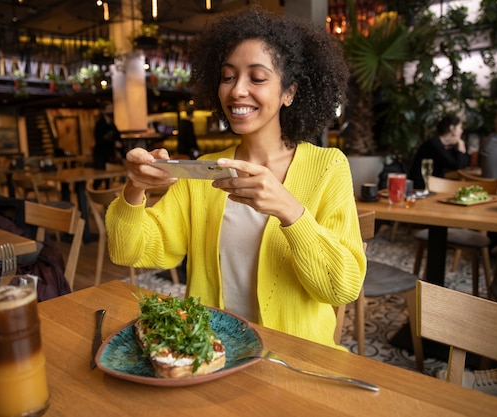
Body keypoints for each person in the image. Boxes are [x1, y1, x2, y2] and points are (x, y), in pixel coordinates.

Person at [106, 6, 366, 350]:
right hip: (214, 353)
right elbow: (128, 251)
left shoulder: (328, 167)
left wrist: (291, 212)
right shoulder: (204, 171)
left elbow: (341, 287)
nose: (237, 91)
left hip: (296, 359)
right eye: (228, 77)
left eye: (257, 78)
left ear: (289, 92)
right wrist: (135, 189)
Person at [411, 115, 469, 190]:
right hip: (422, 186)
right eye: (460, 128)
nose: (462, 131)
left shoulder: (449, 145)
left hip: (436, 184)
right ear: (452, 128)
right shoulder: (434, 144)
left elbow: (463, 166)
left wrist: (461, 150)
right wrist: (461, 150)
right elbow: (457, 166)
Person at [93, 101, 123, 189]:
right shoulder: (99, 124)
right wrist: (113, 143)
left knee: (108, 177)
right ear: (103, 111)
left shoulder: (111, 124)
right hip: (101, 154)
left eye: (111, 109)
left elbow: (117, 136)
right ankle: (95, 193)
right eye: (109, 109)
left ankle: (107, 194)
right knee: (100, 176)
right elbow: (99, 140)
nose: (111, 111)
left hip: (109, 154)